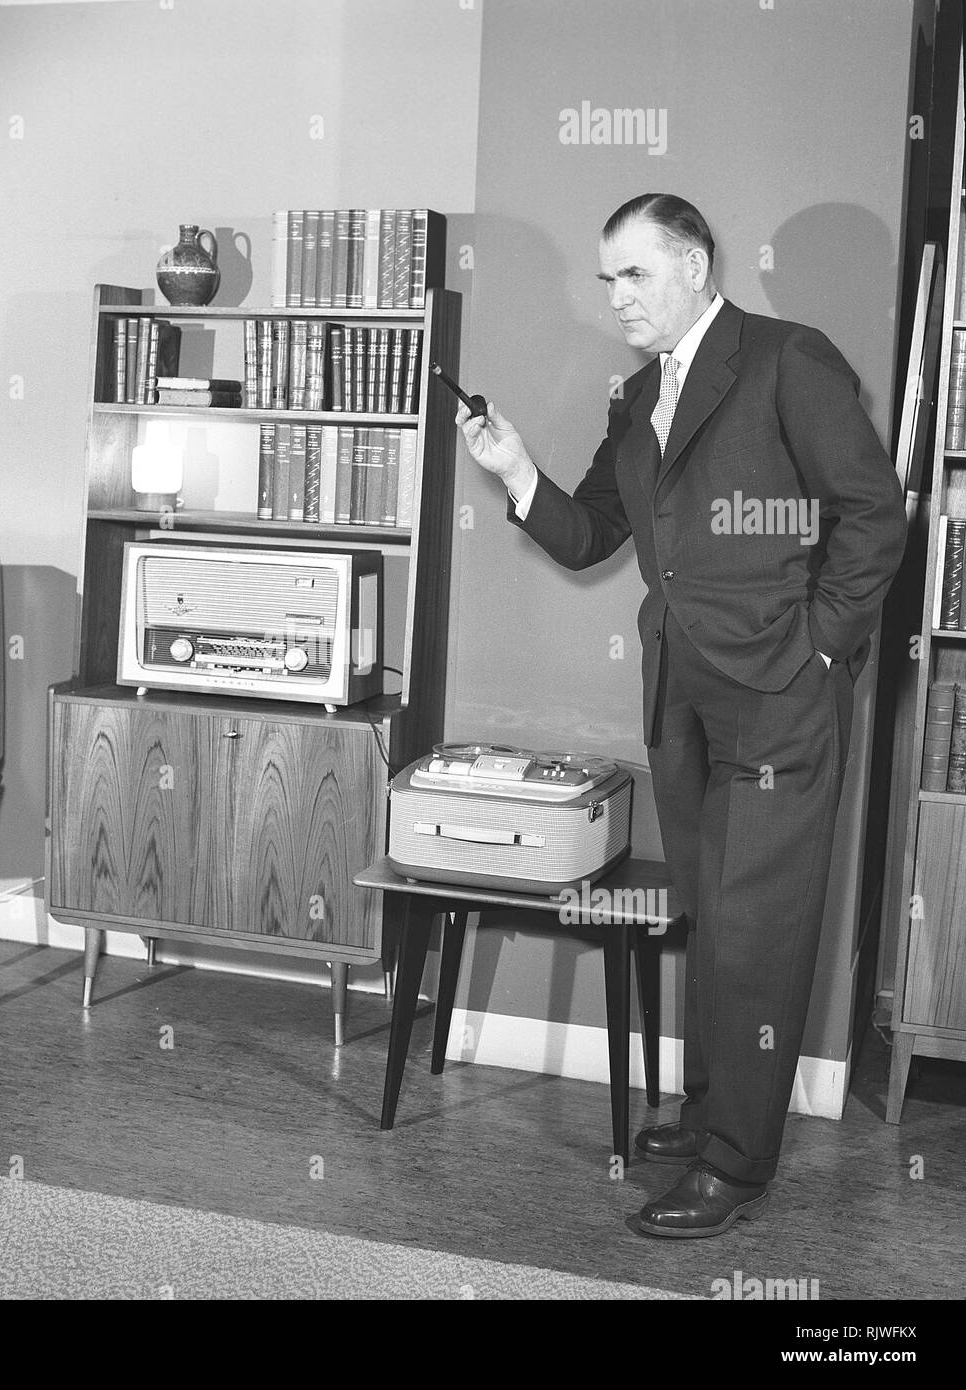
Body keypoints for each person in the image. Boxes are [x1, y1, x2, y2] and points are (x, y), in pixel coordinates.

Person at [457, 193, 907, 1238]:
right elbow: (587, 536)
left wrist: (820, 652)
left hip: (778, 697)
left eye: (634, 275)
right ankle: (710, 1108)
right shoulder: (637, 395)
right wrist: (513, 469)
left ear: (697, 267)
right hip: (682, 696)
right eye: (606, 278)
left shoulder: (790, 360)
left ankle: (736, 1165)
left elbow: (871, 513)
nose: (615, 297)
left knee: (757, 931)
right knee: (713, 913)